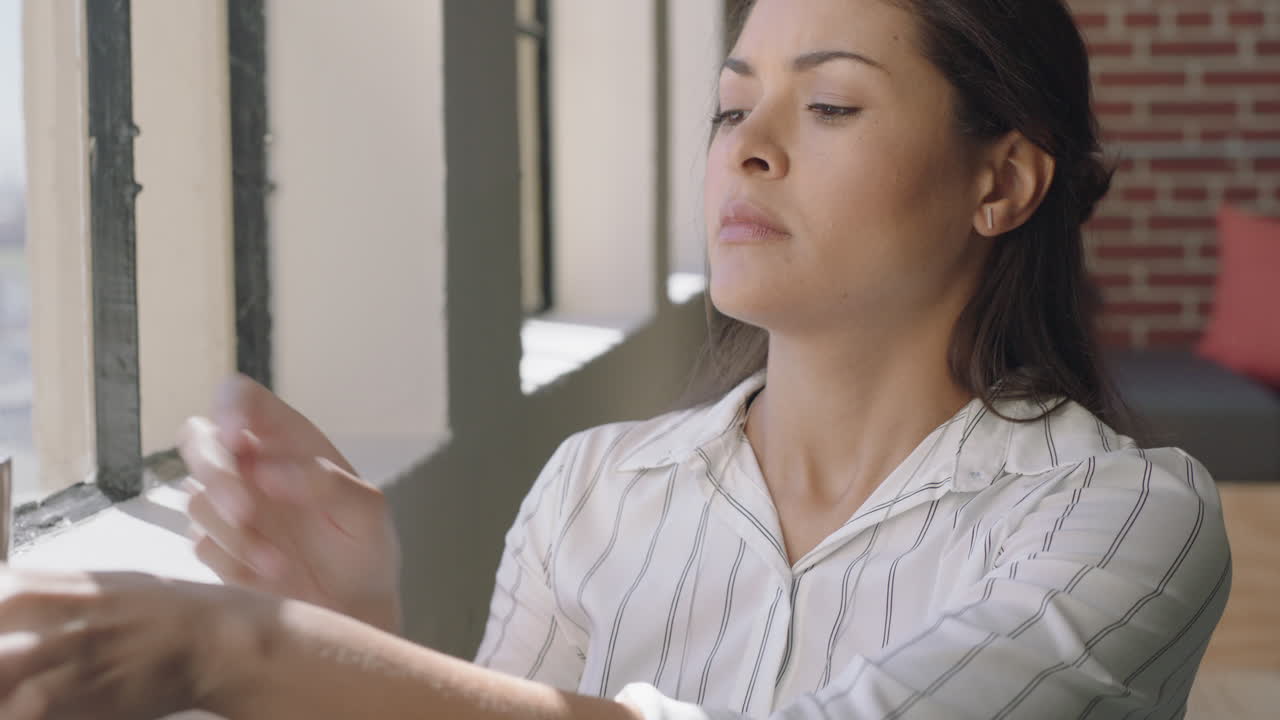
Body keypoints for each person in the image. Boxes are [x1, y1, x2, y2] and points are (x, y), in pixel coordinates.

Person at [0, 0, 1231, 717]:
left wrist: (243, 650)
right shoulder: (594, 486)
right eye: (726, 105)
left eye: (830, 105)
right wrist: (352, 626)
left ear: (1000, 180)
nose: (744, 147)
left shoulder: (1124, 520)